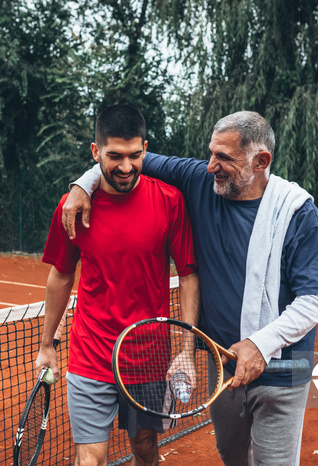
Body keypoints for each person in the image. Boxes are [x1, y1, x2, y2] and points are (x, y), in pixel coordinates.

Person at [63, 111, 318, 465]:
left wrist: (260, 344)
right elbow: (126, 159)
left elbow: (315, 301)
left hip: (281, 372)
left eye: (224, 158)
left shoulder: (299, 214)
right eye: (211, 154)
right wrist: (82, 184)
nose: (211, 166)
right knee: (231, 455)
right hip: (221, 364)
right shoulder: (200, 182)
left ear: (261, 161)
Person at [35, 104, 199, 466]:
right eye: (114, 156)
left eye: (135, 155)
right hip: (90, 356)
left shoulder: (170, 202)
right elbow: (61, 274)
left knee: (144, 447)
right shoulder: (72, 207)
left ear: (145, 148)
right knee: (89, 457)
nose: (125, 167)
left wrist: (186, 349)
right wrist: (47, 345)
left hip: (148, 358)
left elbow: (188, 275)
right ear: (96, 153)